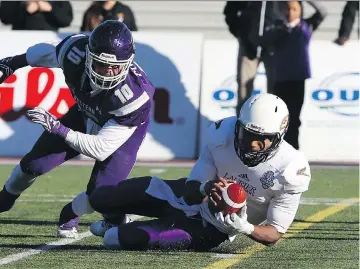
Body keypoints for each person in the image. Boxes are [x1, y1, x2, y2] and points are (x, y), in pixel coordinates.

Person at [0, 20, 155, 240]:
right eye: (102, 64)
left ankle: (78, 212)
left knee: (101, 195)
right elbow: (44, 53)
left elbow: (100, 148)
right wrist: (15, 62)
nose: (109, 72)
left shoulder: (135, 97)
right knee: (32, 164)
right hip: (86, 112)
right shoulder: (74, 52)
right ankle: (3, 200)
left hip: (122, 130)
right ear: (89, 55)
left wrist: (58, 128)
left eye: (116, 66)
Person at [89, 93, 312, 251]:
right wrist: (206, 187)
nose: (253, 144)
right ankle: (119, 217)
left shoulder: (290, 168)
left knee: (114, 239)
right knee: (101, 198)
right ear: (237, 127)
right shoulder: (221, 136)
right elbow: (190, 190)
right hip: (191, 198)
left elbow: (274, 233)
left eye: (262, 139)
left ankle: (131, 224)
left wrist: (245, 227)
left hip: (214, 227)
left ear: (278, 137)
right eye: (248, 134)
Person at [260, 0, 326, 150]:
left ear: (301, 10)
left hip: (298, 79)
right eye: (287, 9)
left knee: (294, 119)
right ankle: (277, 150)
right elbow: (264, 39)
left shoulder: (306, 26)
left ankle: (293, 150)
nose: (290, 13)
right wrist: (280, 28)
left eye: (294, 9)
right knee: (280, 119)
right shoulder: (276, 27)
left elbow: (322, 12)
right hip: (280, 80)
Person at [223, 1, 284, 116]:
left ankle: (274, 129)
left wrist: (283, 36)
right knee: (244, 92)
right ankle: (242, 130)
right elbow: (230, 10)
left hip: (274, 48)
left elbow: (294, 10)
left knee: (276, 93)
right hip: (248, 46)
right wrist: (240, 33)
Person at [0, 1, 73, 31]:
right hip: (20, 41)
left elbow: (66, 20)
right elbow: (4, 18)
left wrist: (51, 9)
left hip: (49, 42)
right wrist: (24, 9)